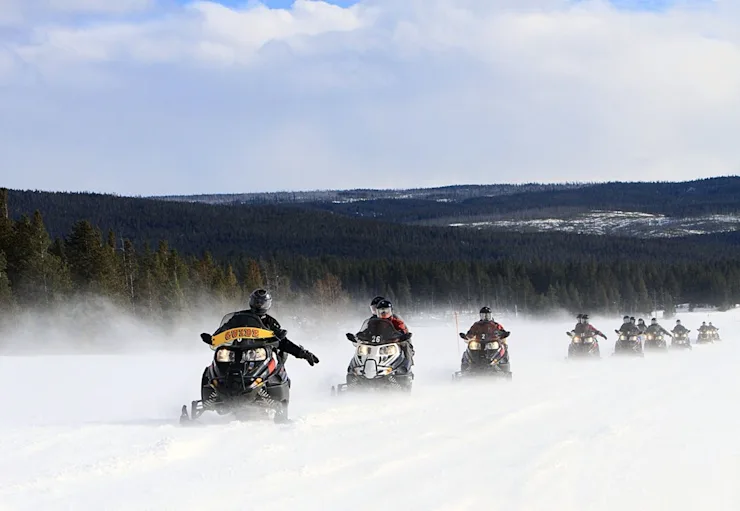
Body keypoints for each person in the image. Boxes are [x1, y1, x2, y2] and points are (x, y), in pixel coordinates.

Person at [214, 289, 320, 366]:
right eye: (256, 302)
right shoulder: (239, 317)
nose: (259, 305)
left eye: (262, 303)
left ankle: (275, 385)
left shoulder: (271, 322)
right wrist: (214, 338)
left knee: (274, 361)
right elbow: (226, 327)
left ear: (267, 304)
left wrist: (302, 353)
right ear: (251, 302)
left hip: (259, 355)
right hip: (237, 351)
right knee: (217, 363)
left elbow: (283, 342)